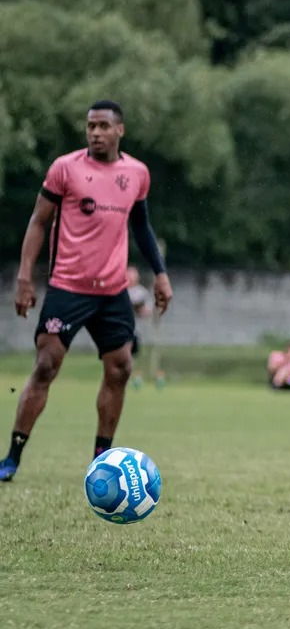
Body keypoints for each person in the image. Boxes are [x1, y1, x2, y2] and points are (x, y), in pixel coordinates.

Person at [0, 100, 172, 482]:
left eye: (103, 126)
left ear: (119, 130)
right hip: (67, 287)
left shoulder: (137, 173)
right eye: (90, 126)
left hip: (113, 292)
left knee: (121, 368)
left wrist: (160, 274)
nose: (95, 132)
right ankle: (12, 456)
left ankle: (101, 461)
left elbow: (141, 228)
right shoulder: (66, 169)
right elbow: (38, 221)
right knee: (46, 366)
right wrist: (25, 278)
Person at [126, 265, 156, 389]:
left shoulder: (141, 292)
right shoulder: (119, 290)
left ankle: (132, 378)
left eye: (133, 275)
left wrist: (139, 309)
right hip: (120, 329)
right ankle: (122, 379)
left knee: (131, 356)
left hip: (134, 330)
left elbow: (148, 311)